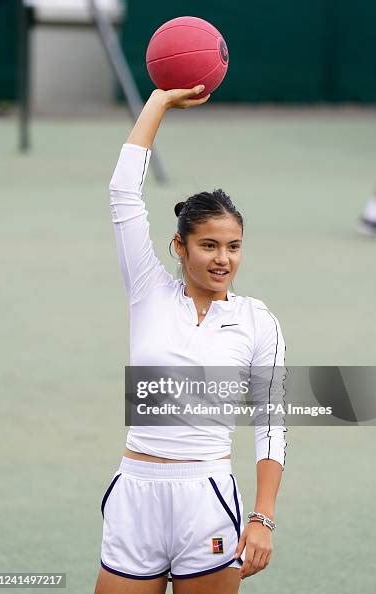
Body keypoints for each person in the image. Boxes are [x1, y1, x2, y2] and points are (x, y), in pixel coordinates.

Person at [94, 85, 287, 594]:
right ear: (179, 247)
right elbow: (122, 193)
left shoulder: (257, 321)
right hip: (136, 489)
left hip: (207, 499)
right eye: (208, 245)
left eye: (233, 246)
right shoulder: (148, 292)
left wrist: (262, 518)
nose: (222, 259)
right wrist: (158, 103)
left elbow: (272, 422)